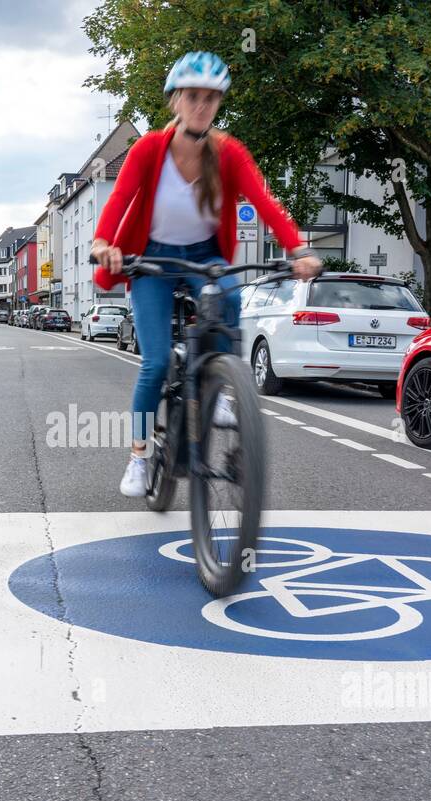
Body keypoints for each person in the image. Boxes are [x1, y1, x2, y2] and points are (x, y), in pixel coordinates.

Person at [90, 51, 323, 497]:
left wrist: (296, 247)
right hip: (153, 258)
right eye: (193, 96)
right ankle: (139, 456)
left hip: (204, 254)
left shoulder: (228, 152)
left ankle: (222, 388)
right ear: (175, 101)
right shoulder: (149, 150)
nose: (202, 106)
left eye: (211, 99)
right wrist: (104, 244)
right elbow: (119, 199)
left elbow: (266, 201)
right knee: (156, 363)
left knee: (230, 298)